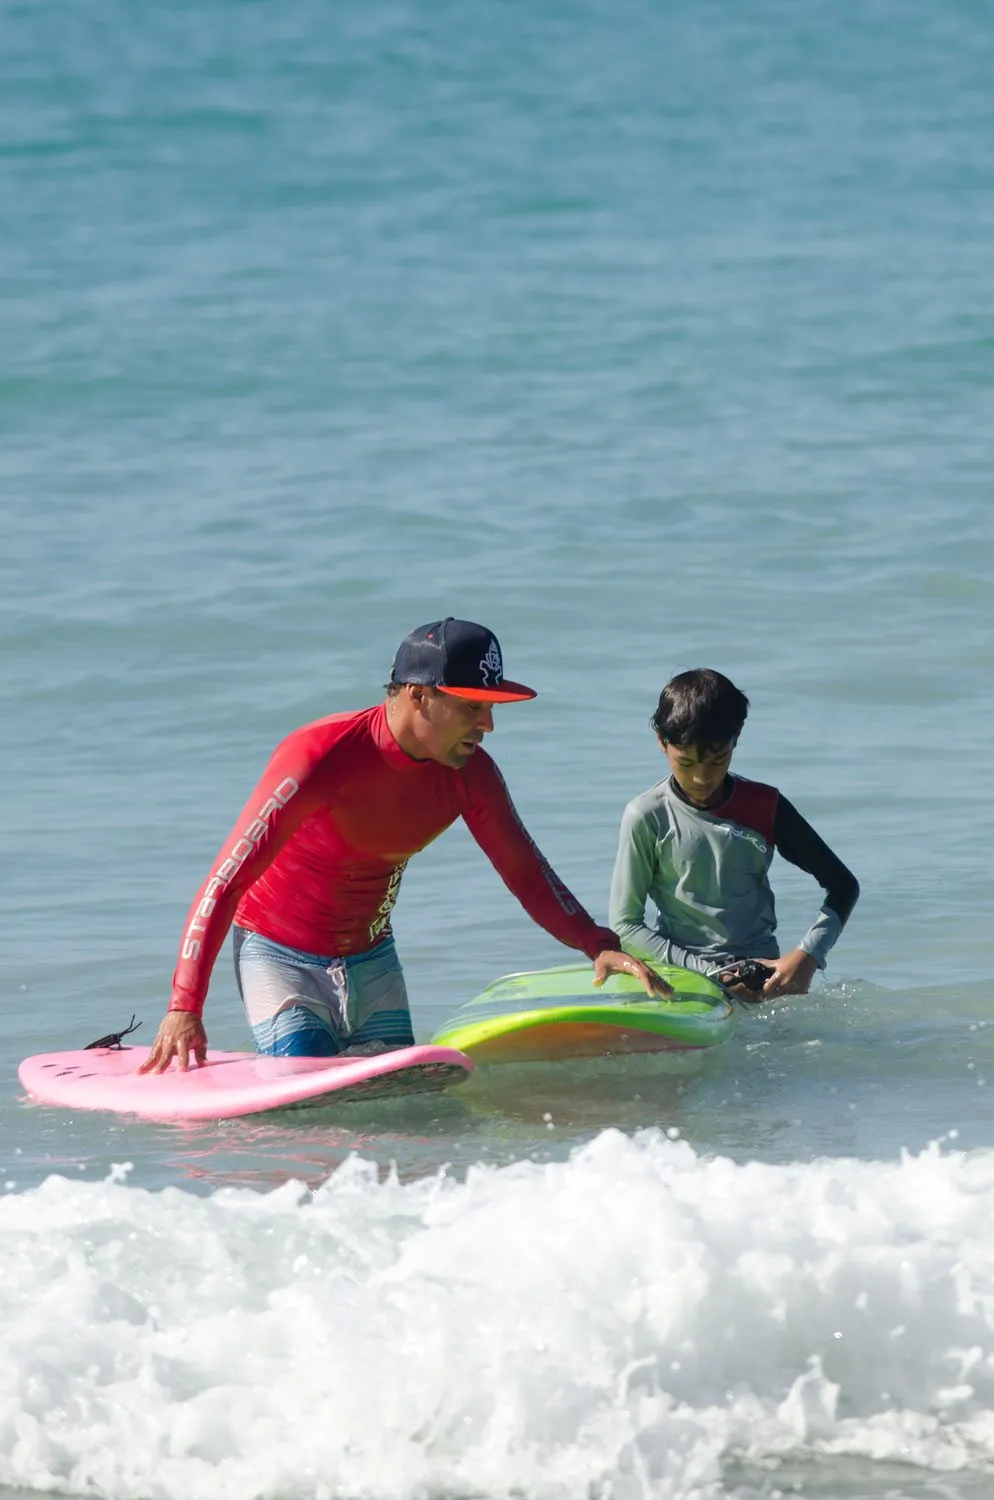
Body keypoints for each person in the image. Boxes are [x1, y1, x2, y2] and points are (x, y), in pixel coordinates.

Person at [142, 618, 671, 1072]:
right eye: (472, 707)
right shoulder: (320, 758)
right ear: (419, 696)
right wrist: (184, 1005)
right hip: (279, 956)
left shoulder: (471, 775)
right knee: (309, 1108)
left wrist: (595, 943)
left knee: (396, 1110)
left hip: (374, 960)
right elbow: (225, 881)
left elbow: (525, 871)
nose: (488, 725)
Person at [608, 669, 859, 1001]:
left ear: (736, 737)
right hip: (684, 980)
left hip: (763, 979)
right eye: (685, 764)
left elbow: (843, 885)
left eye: (717, 760)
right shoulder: (646, 815)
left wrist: (807, 957)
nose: (701, 778)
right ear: (662, 743)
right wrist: (711, 975)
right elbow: (625, 926)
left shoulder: (764, 805)